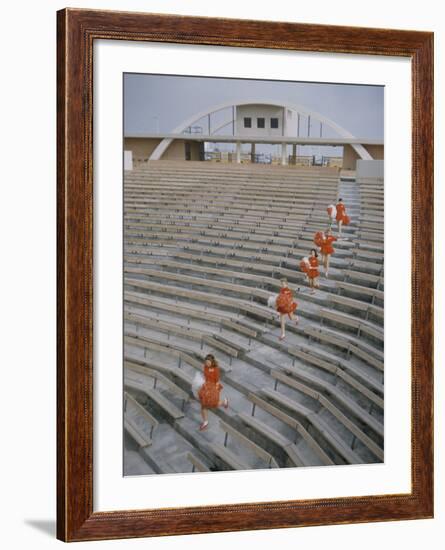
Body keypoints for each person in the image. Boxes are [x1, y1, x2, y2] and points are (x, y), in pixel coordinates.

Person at [197, 354, 228, 431]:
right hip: (206, 386)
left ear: (212, 362)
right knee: (203, 405)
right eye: (206, 362)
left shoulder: (216, 369)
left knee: (214, 404)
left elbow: (217, 381)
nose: (207, 364)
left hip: (213, 387)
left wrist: (215, 391)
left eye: (208, 362)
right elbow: (205, 376)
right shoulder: (205, 367)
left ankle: (224, 402)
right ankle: (205, 421)